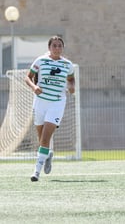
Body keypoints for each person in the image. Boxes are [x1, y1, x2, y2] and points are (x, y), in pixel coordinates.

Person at [24, 36, 75, 182]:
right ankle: (48, 154)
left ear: (63, 48)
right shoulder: (40, 61)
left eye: (60, 46)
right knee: (42, 140)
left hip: (57, 103)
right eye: (54, 45)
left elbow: (71, 78)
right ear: (49, 47)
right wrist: (34, 87)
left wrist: (71, 86)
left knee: (46, 137)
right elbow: (28, 77)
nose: (57, 48)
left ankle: (36, 172)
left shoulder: (67, 65)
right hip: (40, 102)